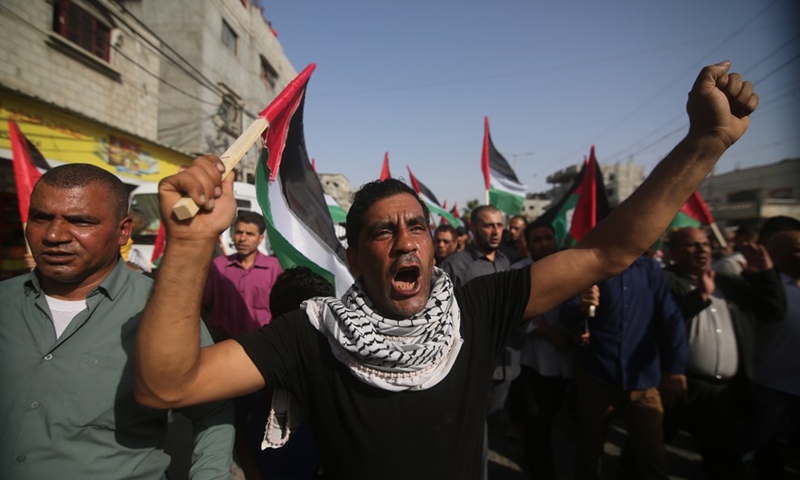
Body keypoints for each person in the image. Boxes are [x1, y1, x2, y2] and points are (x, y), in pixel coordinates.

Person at [135, 62, 759, 480]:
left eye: (417, 228)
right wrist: (189, 245)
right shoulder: (313, 334)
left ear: (435, 250)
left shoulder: (478, 307)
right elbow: (167, 386)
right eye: (383, 231)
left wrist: (705, 144)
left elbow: (607, 253)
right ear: (354, 258)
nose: (406, 241)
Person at [0, 163, 234, 480]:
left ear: (123, 231)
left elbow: (213, 411)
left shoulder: (164, 311)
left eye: (79, 221)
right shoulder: (6, 301)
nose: (54, 235)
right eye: (42, 218)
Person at [661, 226, 786, 479]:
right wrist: (700, 297)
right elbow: (659, 327)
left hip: (722, 393)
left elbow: (773, 311)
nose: (701, 250)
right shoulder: (663, 282)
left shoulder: (729, 283)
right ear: (672, 252)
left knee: (723, 460)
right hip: (678, 385)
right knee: (647, 450)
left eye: (705, 244)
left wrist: (765, 274)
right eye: (691, 245)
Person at [563, 255, 687, 480]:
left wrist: (675, 368)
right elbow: (567, 315)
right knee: (589, 453)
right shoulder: (591, 266)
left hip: (642, 381)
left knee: (653, 457)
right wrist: (583, 308)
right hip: (597, 377)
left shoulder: (649, 269)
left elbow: (670, 317)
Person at [507, 220, 576, 480]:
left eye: (548, 238)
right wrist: (549, 333)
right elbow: (515, 317)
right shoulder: (517, 272)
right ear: (528, 244)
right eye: (538, 240)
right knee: (537, 426)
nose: (544, 244)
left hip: (569, 363)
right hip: (533, 363)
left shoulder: (573, 268)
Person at [750, 227, 800, 479]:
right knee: (761, 447)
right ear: (775, 256)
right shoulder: (764, 288)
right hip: (770, 386)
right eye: (797, 250)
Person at [203, 211, 283, 339]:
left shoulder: (274, 268)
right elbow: (204, 303)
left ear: (261, 238)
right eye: (239, 232)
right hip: (222, 342)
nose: (242, 239)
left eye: (250, 234)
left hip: (260, 341)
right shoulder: (218, 266)